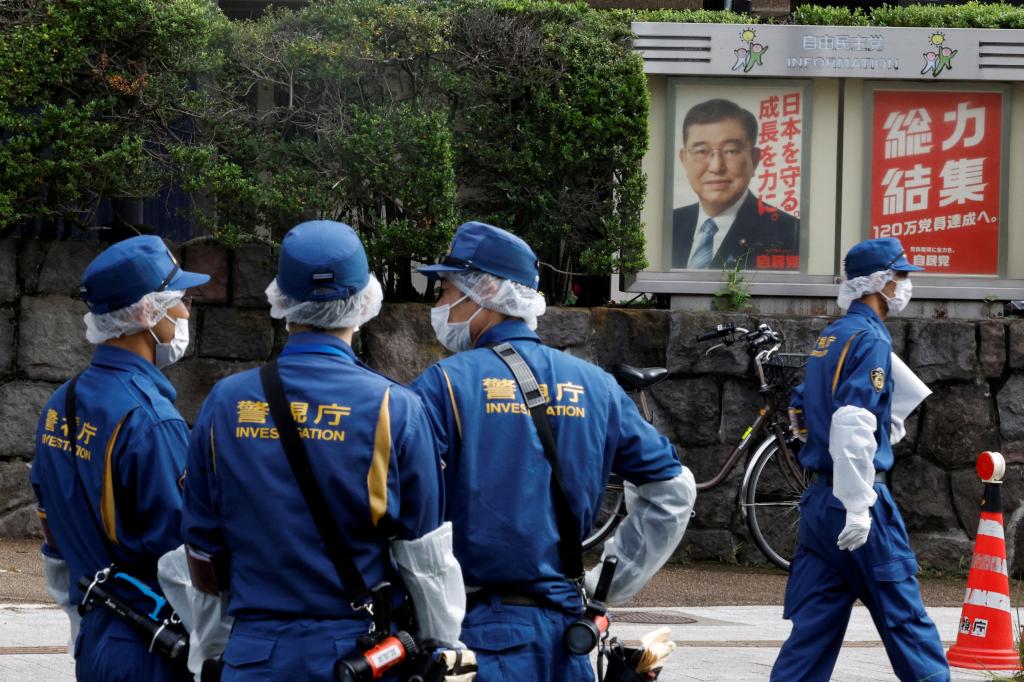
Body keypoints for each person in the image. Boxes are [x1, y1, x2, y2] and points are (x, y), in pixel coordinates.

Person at [178, 221, 467, 681]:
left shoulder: (226, 402)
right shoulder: (396, 409)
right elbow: (426, 560)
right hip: (357, 657)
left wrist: (211, 653)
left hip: (253, 654)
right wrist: (442, 650)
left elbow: (203, 552)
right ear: (366, 300)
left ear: (281, 299)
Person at [411, 221, 696, 681]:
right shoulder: (597, 387)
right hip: (566, 638)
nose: (439, 306)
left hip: (476, 638)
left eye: (445, 290)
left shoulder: (445, 386)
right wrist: (604, 584)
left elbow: (407, 514)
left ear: (483, 290)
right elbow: (673, 490)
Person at [30, 235, 209, 682]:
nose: (185, 313)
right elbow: (183, 558)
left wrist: (77, 614)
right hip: (154, 646)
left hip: (98, 633)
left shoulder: (62, 401)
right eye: (178, 301)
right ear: (148, 313)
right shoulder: (152, 421)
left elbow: (51, 525)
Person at [771, 237, 949, 682]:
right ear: (880, 281)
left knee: (811, 634)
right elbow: (853, 419)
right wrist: (857, 501)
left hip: (818, 504)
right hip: (860, 504)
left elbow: (799, 409)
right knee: (907, 624)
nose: (906, 285)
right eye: (901, 276)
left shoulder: (830, 336)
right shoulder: (870, 339)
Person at [672, 98, 799, 270]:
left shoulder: (789, 233)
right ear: (684, 159)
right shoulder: (670, 224)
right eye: (701, 151)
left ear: (754, 159)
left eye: (731, 151)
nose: (716, 167)